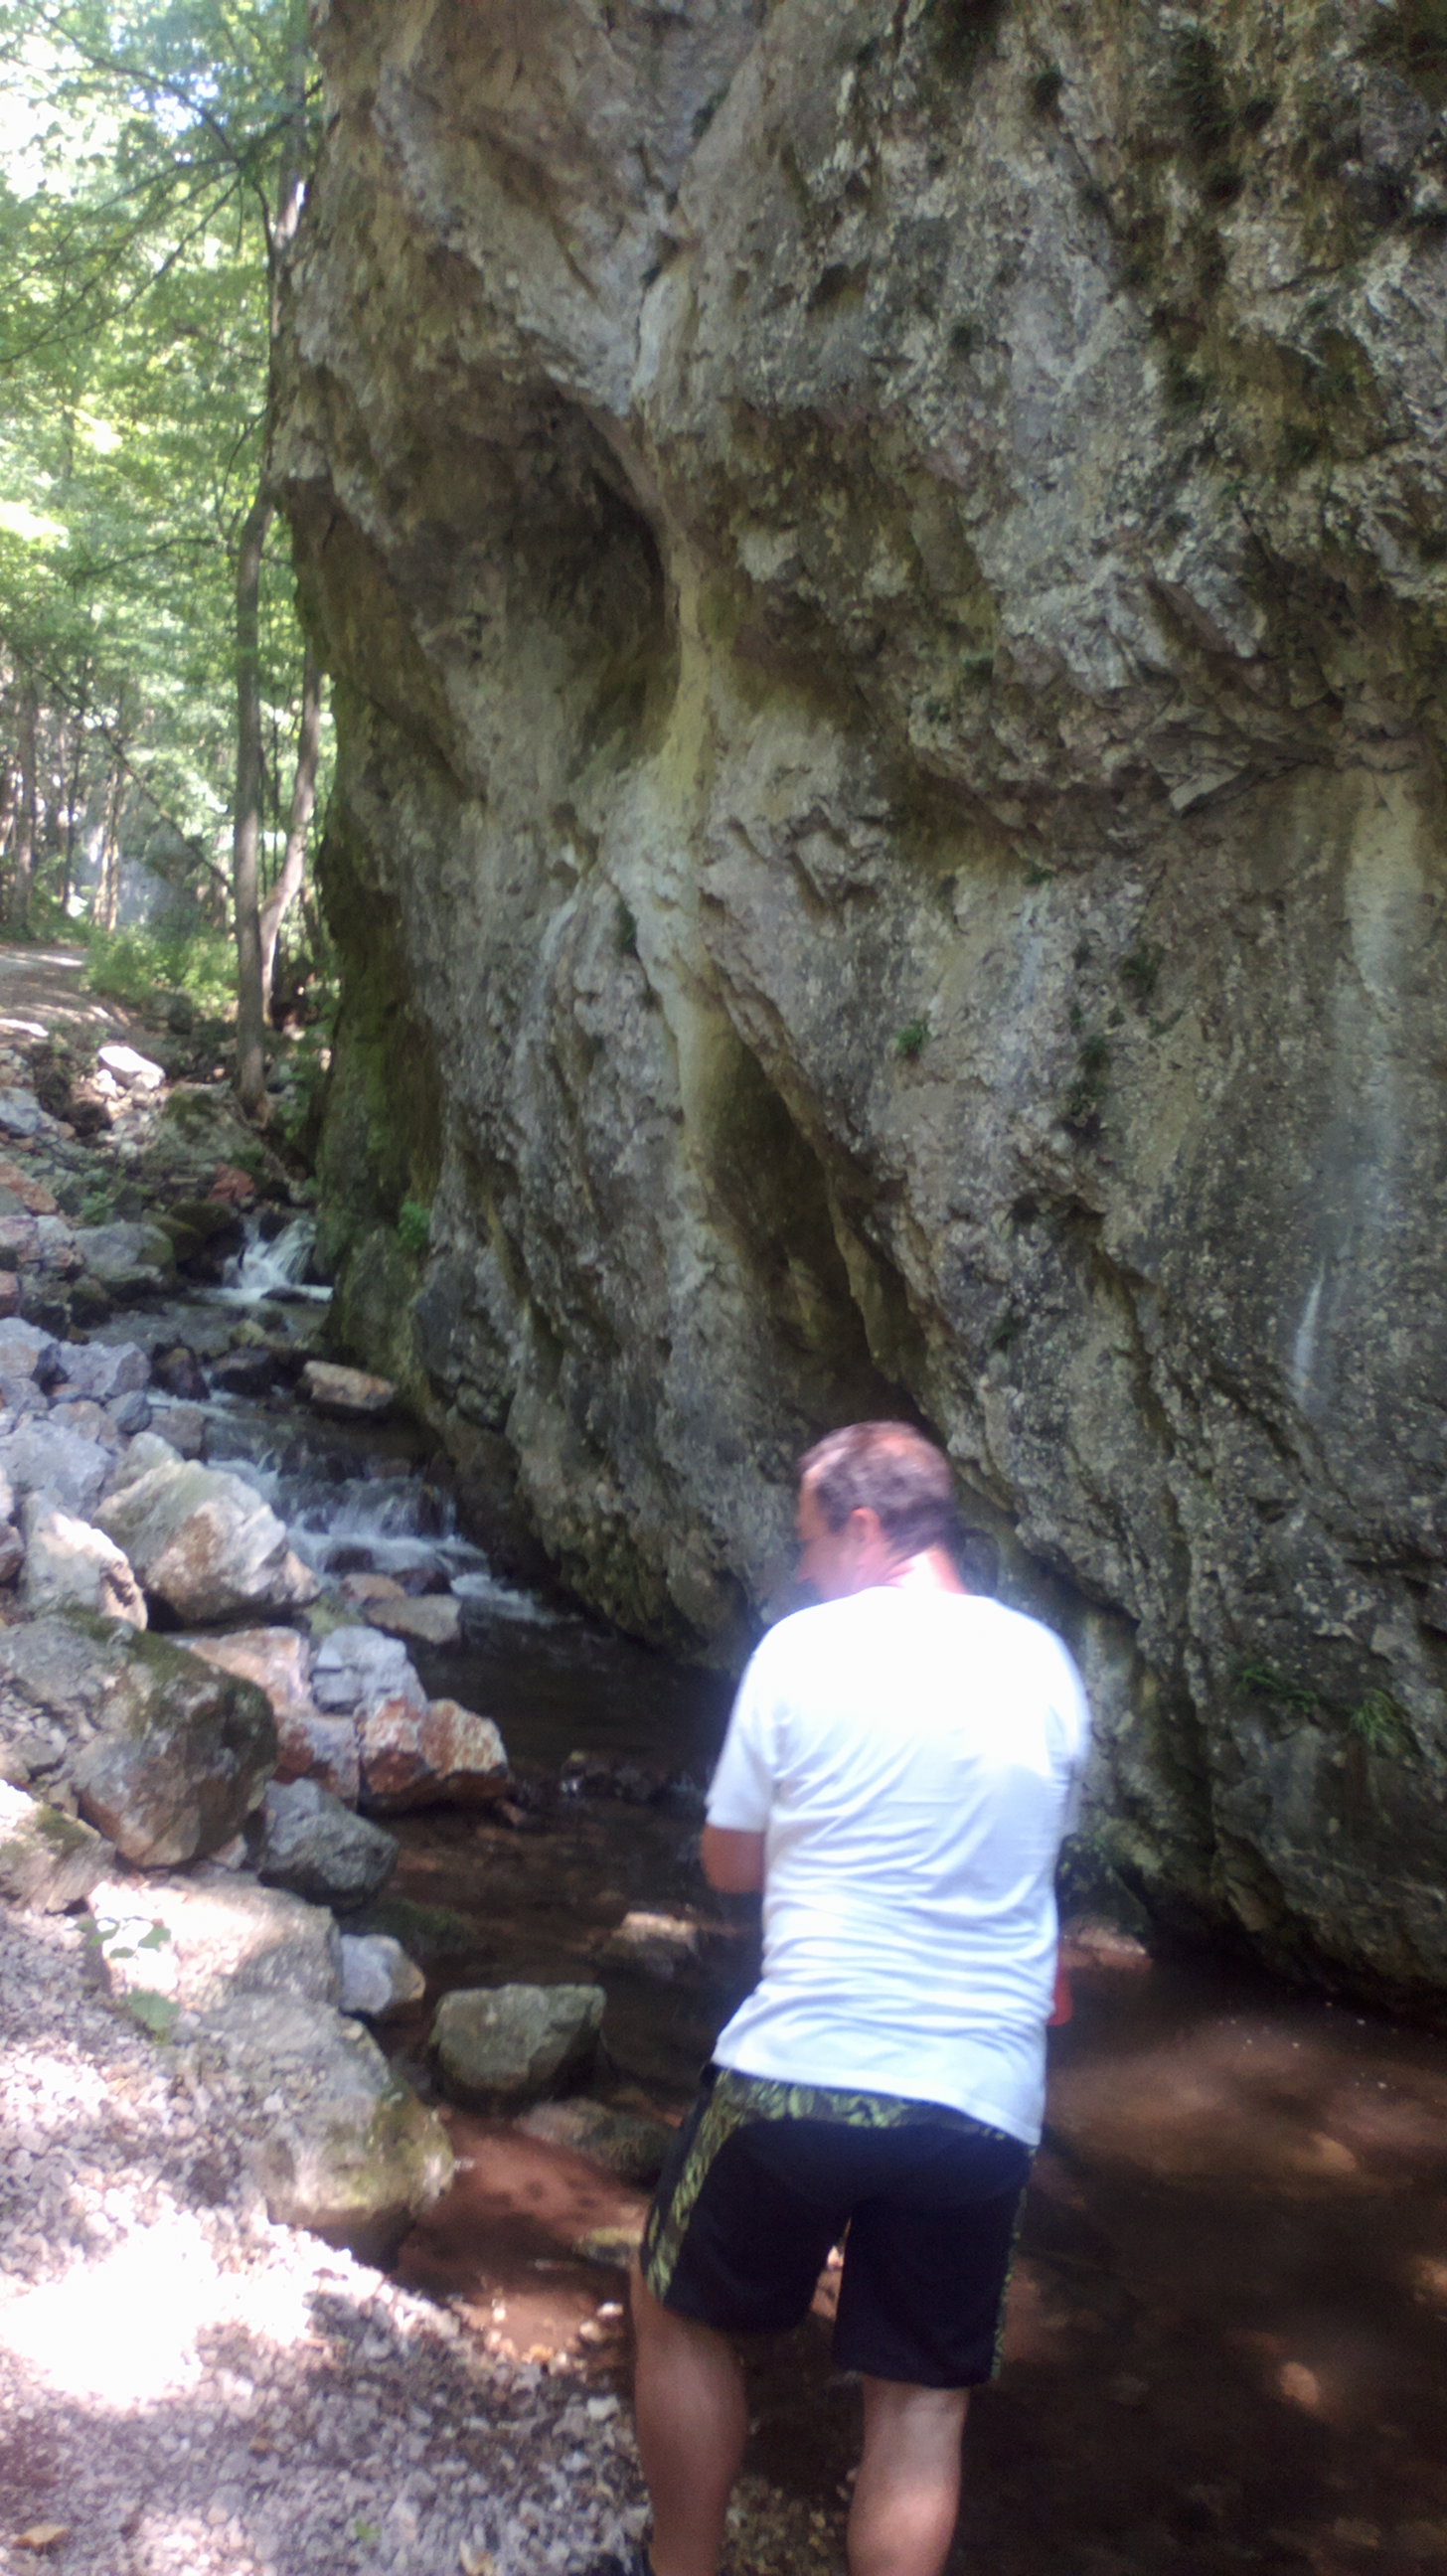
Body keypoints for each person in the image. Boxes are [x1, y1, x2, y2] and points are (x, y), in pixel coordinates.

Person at [588, 1419, 1090, 2576]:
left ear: (865, 1531)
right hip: (980, 2102)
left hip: (802, 2071)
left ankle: (684, 2565)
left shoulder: (803, 1650)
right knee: (918, 2404)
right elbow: (1029, 1859)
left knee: (674, 2306)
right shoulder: (1046, 1668)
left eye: (808, 1540)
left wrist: (819, 1839)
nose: (803, 1567)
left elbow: (728, 1862)